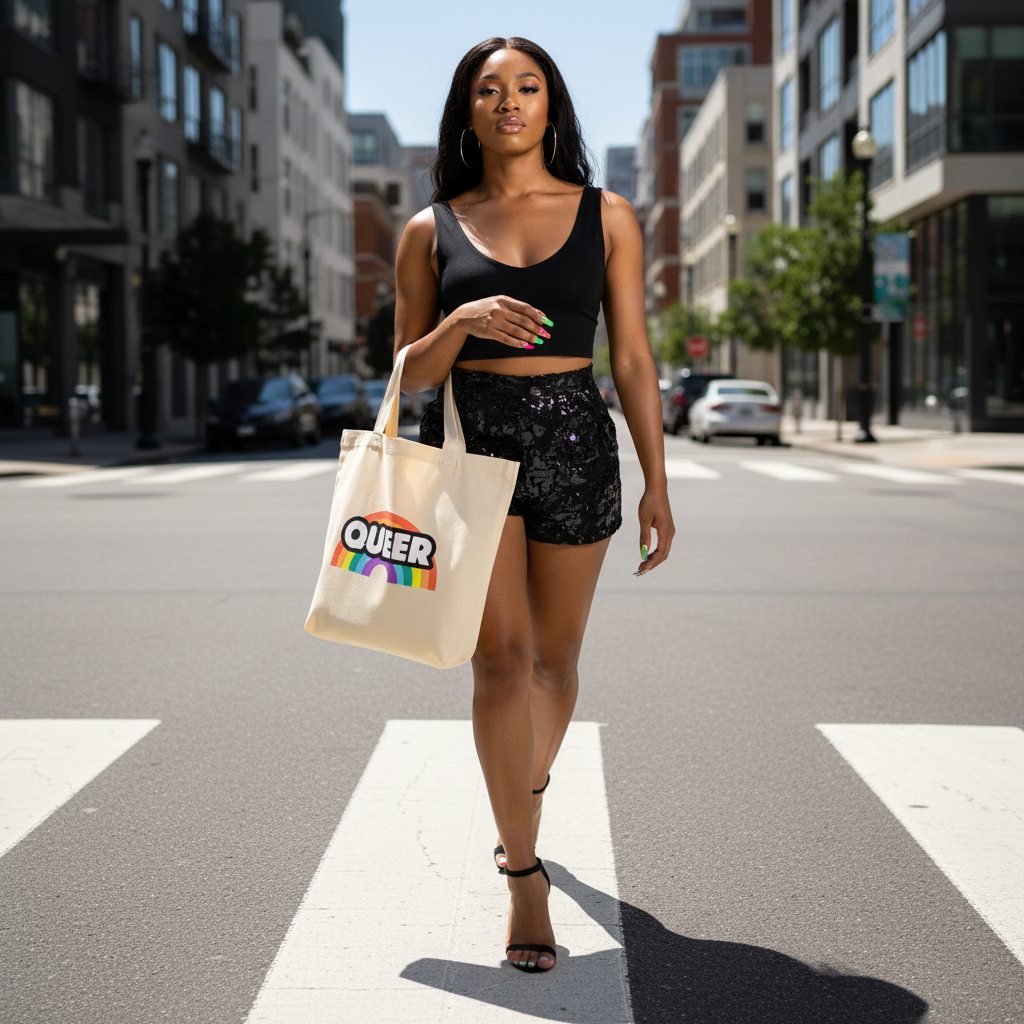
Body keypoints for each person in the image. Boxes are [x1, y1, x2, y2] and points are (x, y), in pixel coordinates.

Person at [394, 37, 674, 974]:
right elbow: (408, 372)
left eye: (527, 87)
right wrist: (460, 322)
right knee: (501, 661)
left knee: (556, 663)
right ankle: (523, 871)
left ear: (551, 106)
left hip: (578, 442)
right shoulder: (429, 229)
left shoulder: (610, 215)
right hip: (475, 445)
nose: (509, 101)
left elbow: (631, 359)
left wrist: (658, 483)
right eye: (489, 89)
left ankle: (527, 782)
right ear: (467, 110)